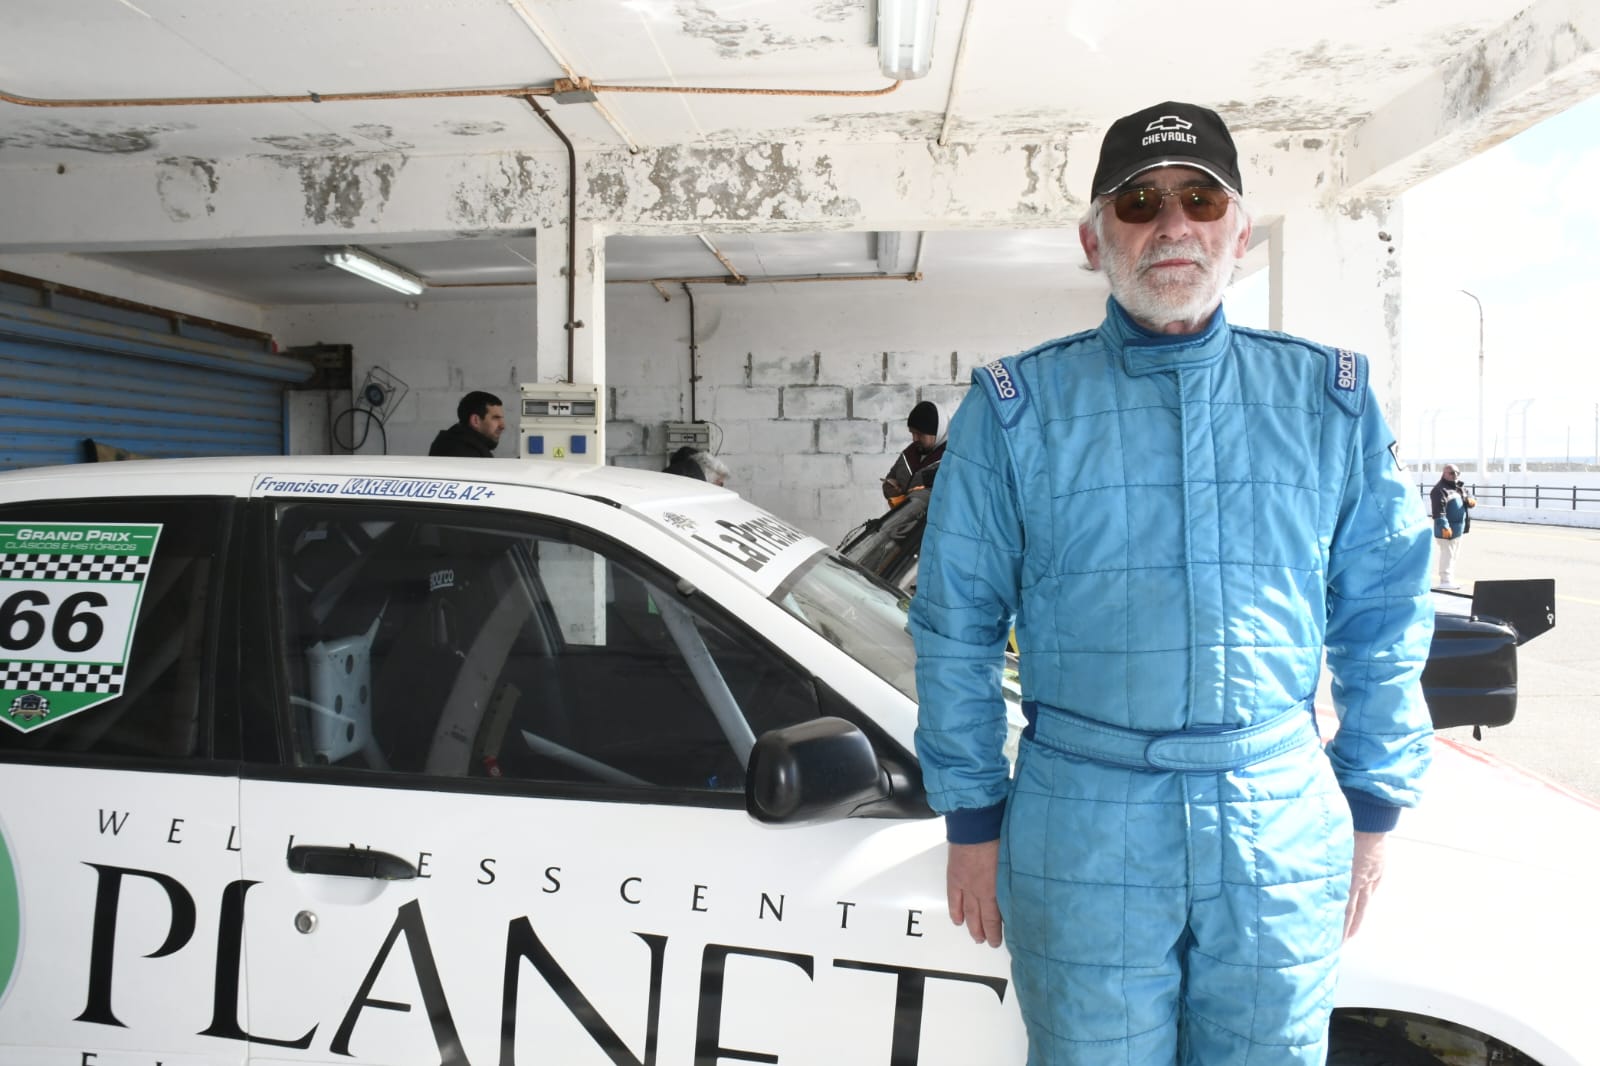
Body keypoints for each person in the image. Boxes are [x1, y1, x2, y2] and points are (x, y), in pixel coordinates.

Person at [909, 100, 1435, 1065]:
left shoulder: (1331, 403)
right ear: (1092, 237)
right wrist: (971, 815)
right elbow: (955, 625)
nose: (1172, 225)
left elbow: (1387, 613)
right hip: (1082, 822)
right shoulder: (1016, 412)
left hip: (1278, 824)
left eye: (1200, 197)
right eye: (1140, 202)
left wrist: (1373, 807)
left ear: (1239, 226)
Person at [882, 400, 946, 501]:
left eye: (920, 434)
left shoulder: (950, 460)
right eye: (912, 433)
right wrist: (889, 489)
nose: (914, 439)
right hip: (905, 514)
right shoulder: (911, 452)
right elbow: (891, 477)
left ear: (938, 431)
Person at [1430, 464, 1476, 589]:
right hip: (1447, 530)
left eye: (1457, 472)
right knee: (1447, 555)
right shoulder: (1439, 490)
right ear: (1444, 473)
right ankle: (1445, 581)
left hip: (1459, 529)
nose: (1455, 475)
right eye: (1451, 473)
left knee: (1453, 555)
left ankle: (1449, 579)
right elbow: (1439, 512)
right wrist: (1444, 526)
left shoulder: (1459, 487)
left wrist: (1471, 499)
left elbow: (1469, 496)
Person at [428, 391, 505, 457]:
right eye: (496, 418)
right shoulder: (465, 454)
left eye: (501, 418)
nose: (502, 426)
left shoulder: (453, 443)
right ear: (475, 421)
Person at [664, 447, 730, 486]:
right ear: (708, 470)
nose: (718, 485)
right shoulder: (697, 484)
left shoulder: (683, 470)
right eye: (718, 481)